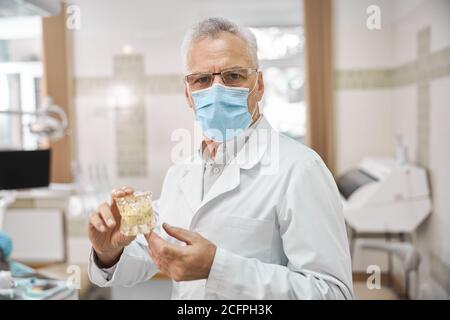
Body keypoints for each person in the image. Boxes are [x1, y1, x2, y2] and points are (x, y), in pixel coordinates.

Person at [87, 17, 354, 299]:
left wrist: (218, 267)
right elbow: (152, 255)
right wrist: (109, 251)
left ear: (259, 85)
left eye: (233, 76)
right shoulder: (180, 174)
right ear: (188, 94)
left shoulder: (300, 169)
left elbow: (333, 293)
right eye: (201, 79)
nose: (216, 90)